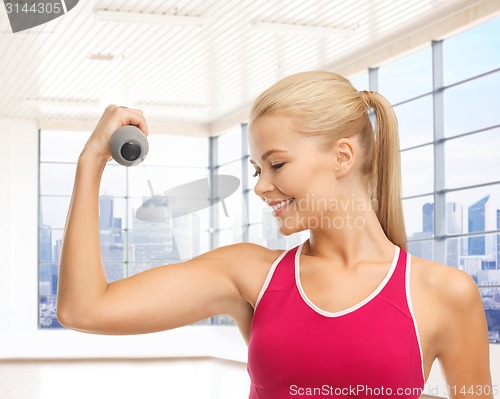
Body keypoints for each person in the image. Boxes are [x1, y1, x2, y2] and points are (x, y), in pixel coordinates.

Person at [57, 71, 493, 398]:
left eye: (277, 165)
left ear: (342, 156)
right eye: (256, 170)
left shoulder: (445, 294)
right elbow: (85, 309)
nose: (261, 186)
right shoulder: (249, 274)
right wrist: (91, 160)